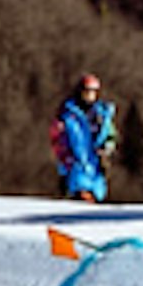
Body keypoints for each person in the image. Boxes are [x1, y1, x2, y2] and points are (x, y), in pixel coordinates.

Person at [51, 73, 118, 203]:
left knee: (95, 201)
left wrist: (107, 149)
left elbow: (111, 135)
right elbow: (57, 139)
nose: (90, 95)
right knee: (79, 198)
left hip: (96, 168)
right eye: (87, 91)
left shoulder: (102, 116)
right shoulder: (68, 115)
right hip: (75, 167)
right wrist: (66, 159)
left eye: (93, 92)